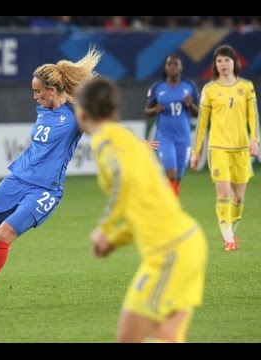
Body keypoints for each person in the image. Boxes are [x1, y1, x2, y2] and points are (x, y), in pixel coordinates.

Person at [0, 48, 102, 309]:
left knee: (2, 235)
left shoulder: (74, 114)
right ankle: (1, 249)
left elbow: (104, 131)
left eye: (39, 92)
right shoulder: (43, 110)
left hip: (45, 190)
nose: (36, 97)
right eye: (34, 92)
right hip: (16, 179)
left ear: (52, 89)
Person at [75, 76, 207, 342]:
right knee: (165, 335)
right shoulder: (127, 138)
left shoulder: (104, 142)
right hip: (185, 243)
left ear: (81, 112)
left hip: (170, 252)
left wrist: (104, 228)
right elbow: (142, 209)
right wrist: (113, 242)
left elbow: (123, 180)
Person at [190, 44, 259, 252]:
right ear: (215, 64)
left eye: (226, 60)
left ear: (234, 63)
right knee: (223, 195)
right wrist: (196, 151)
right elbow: (202, 122)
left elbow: (253, 115)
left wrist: (255, 139)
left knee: (238, 198)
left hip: (241, 149)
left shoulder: (246, 87)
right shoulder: (209, 89)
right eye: (219, 61)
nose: (223, 64)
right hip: (217, 148)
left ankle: (232, 230)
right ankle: (228, 239)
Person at [145, 54, 199, 196]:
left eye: (176, 64)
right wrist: (155, 109)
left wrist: (190, 104)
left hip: (184, 137)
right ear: (165, 67)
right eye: (170, 64)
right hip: (164, 137)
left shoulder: (189, 87)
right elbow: (147, 111)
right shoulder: (158, 87)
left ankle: (170, 204)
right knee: (171, 172)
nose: (172, 67)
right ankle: (165, 202)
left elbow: (198, 112)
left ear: (181, 68)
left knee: (177, 178)